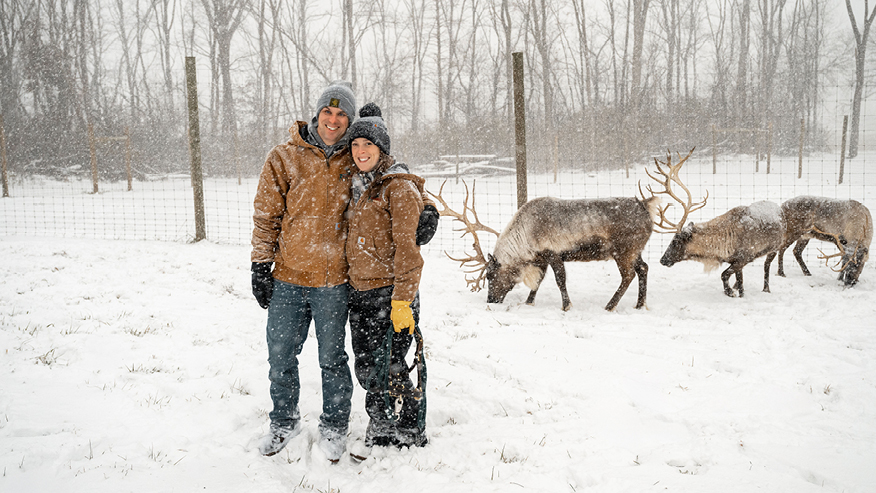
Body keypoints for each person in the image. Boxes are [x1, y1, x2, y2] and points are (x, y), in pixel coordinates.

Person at [250, 84, 438, 462]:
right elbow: (266, 213)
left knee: (333, 358)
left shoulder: (353, 157)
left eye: (341, 116)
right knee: (281, 355)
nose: (333, 121)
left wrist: (428, 208)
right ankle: (283, 420)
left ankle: (335, 426)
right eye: (327, 113)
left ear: (349, 122)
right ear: (316, 114)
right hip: (288, 276)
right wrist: (260, 263)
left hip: (335, 282)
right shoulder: (284, 157)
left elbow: (395, 174)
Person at [345, 103, 428, 449]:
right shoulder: (354, 183)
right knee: (367, 366)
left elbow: (408, 251)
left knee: (391, 364)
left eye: (369, 145)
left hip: (390, 294)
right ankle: (380, 420)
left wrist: (402, 301)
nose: (361, 151)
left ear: (382, 149)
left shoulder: (397, 187)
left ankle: (409, 425)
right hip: (359, 292)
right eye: (356, 145)